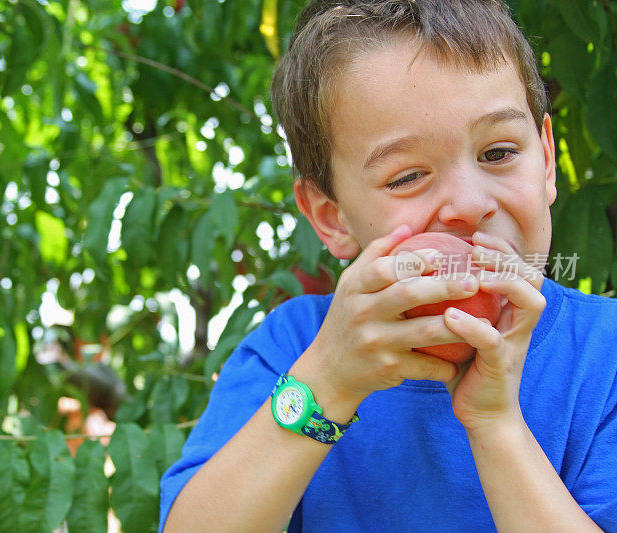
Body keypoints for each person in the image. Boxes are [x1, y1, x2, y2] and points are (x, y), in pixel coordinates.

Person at [160, 1, 617, 531]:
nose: (469, 204)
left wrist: (495, 424)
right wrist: (328, 382)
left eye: (498, 153)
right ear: (332, 219)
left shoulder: (603, 356)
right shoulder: (294, 348)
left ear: (546, 158)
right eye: (406, 177)